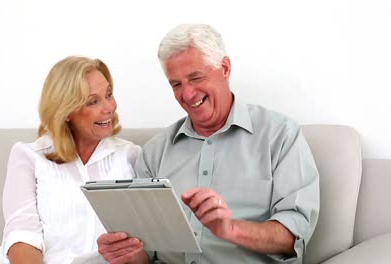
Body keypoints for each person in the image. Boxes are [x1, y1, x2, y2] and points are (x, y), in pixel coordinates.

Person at [97, 24, 320, 264]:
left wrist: (231, 229)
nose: (188, 93)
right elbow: (148, 253)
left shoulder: (279, 135)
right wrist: (126, 253)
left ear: (224, 68)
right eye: (176, 84)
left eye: (196, 78)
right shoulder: (155, 151)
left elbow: (293, 236)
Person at [0, 56, 141, 264]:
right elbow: (22, 236)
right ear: (66, 111)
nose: (109, 107)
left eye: (109, 95)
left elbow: (143, 246)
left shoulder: (131, 156)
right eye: (93, 101)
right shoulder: (28, 156)